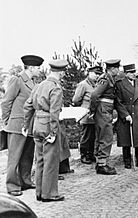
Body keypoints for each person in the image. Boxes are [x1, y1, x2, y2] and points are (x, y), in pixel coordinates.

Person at [23, 59, 68, 202]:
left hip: (37, 124)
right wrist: (54, 132)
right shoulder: (55, 88)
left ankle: (39, 192)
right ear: (60, 73)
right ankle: (49, 194)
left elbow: (28, 106)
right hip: (48, 124)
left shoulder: (38, 85)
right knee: (51, 161)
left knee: (40, 160)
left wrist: (25, 125)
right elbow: (54, 112)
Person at [1, 55, 44, 196]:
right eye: (38, 67)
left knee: (27, 155)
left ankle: (25, 181)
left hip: (30, 124)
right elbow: (6, 101)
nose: (39, 70)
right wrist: (6, 121)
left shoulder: (33, 82)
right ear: (30, 68)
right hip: (17, 124)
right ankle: (12, 185)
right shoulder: (17, 80)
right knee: (14, 156)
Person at [115, 64, 138, 169]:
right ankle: (127, 161)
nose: (133, 74)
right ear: (125, 73)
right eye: (130, 72)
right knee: (127, 139)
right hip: (128, 114)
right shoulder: (120, 84)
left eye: (134, 72)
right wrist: (125, 115)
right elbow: (118, 102)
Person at [91, 59, 121, 175]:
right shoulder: (105, 79)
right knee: (106, 136)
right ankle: (102, 165)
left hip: (105, 109)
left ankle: (100, 163)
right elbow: (94, 95)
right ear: (112, 69)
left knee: (102, 135)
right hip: (103, 109)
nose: (118, 70)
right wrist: (93, 110)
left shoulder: (109, 78)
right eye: (117, 68)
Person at [72, 66, 102, 164]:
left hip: (96, 115)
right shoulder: (83, 84)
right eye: (95, 73)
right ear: (89, 73)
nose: (97, 76)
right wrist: (83, 108)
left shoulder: (98, 85)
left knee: (93, 136)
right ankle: (84, 155)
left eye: (99, 74)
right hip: (86, 115)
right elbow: (76, 100)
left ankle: (91, 154)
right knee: (86, 136)